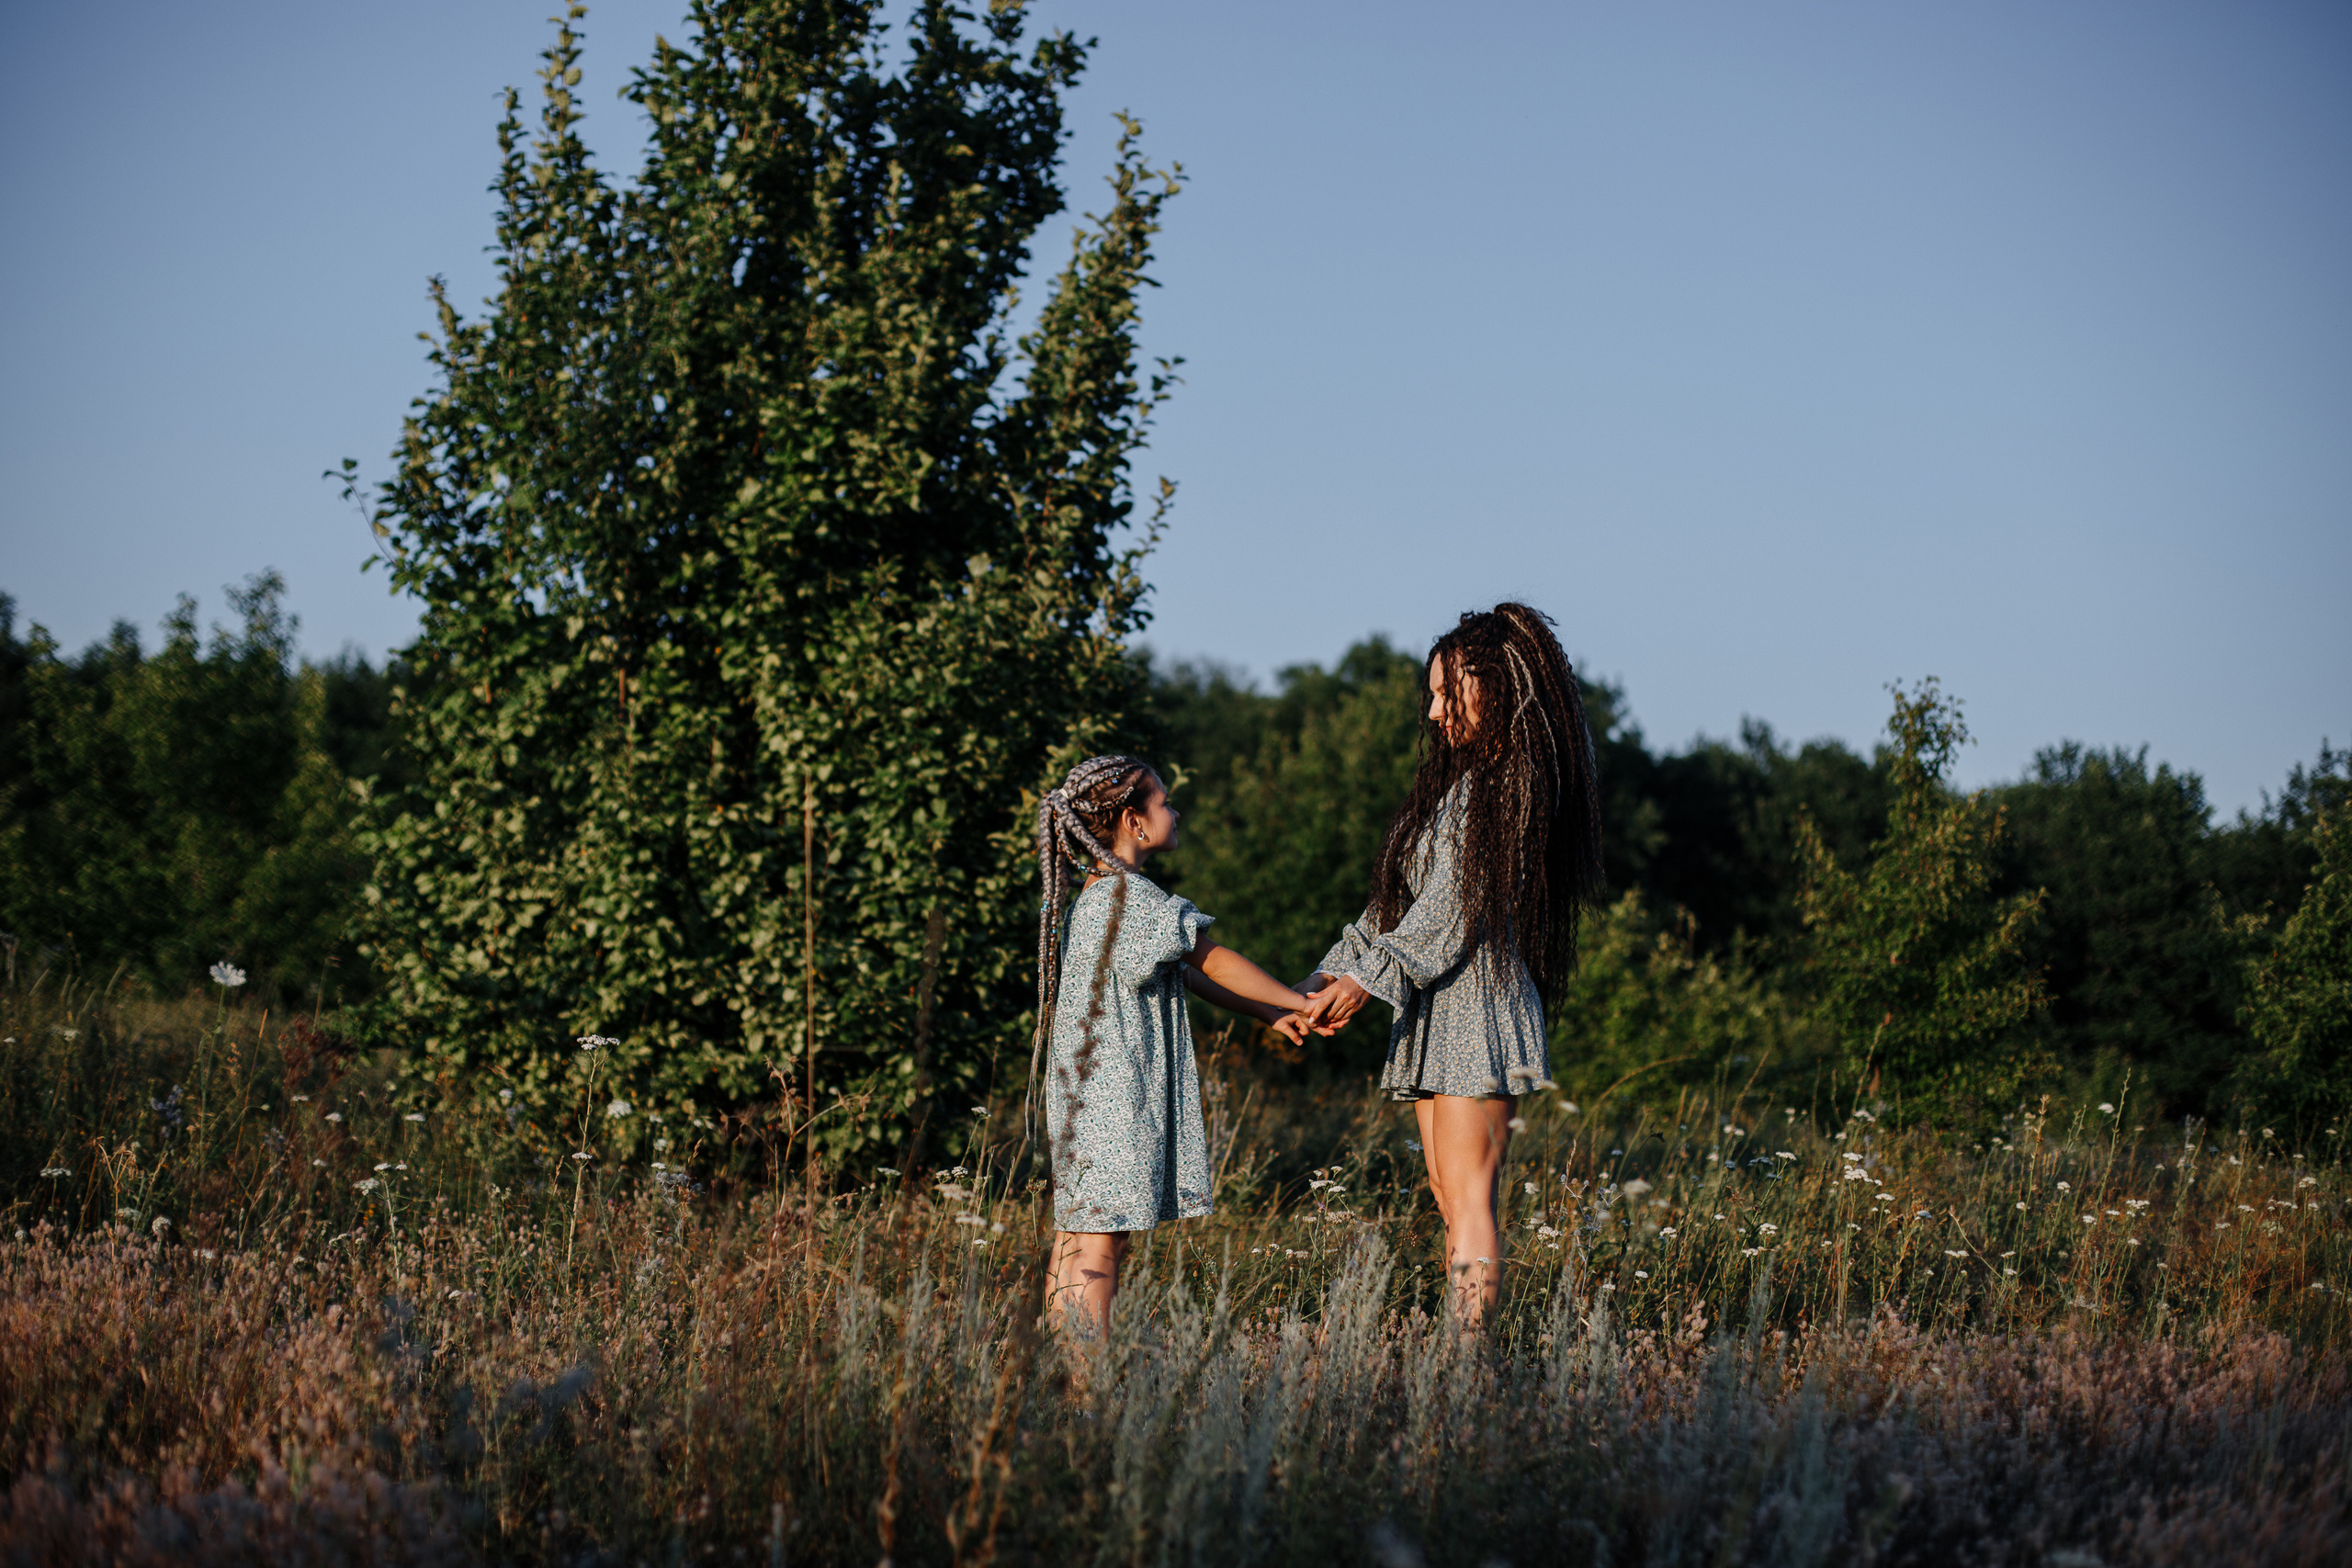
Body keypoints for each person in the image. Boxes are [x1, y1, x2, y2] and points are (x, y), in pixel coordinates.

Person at [1297, 604, 1605, 1325]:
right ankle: (1463, 1353)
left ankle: (1469, 1369)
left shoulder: (1515, 783)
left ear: (1490, 686)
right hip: (1437, 1002)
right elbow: (1400, 901)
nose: (1433, 712)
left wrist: (1368, 983)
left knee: (1469, 1194)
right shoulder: (1458, 789)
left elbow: (1456, 910)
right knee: (1446, 1192)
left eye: (1444, 692)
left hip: (1478, 1002)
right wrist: (1326, 975)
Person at [1032, 754, 1313, 1335]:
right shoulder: (1128, 898)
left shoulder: (1103, 895)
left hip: (1090, 1099)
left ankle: (1060, 1387)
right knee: (1098, 1251)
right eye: (1163, 802)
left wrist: (1266, 1010)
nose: (1175, 811)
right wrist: (1299, 1000)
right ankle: (1086, 1393)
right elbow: (1209, 957)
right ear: (1134, 822)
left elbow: (1181, 974)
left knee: (1079, 1241)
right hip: (1112, 1099)